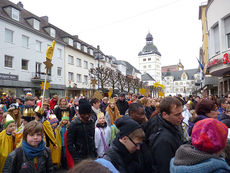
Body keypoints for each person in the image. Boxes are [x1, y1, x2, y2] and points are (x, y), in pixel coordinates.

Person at [145, 96, 183, 173]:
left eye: (181, 113)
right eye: (177, 115)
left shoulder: (172, 125)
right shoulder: (162, 140)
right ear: (164, 115)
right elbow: (164, 168)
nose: (181, 117)